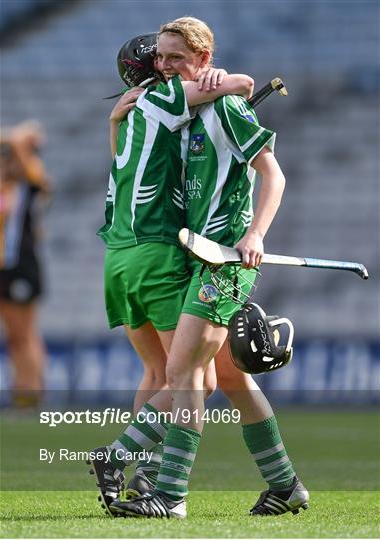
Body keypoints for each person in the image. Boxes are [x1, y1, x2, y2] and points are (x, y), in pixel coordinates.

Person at [107, 17, 309, 519]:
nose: (166, 66)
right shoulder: (189, 112)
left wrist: (256, 233)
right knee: (227, 377)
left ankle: (160, 489)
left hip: (227, 261)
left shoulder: (229, 107)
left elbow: (274, 175)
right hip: (197, 257)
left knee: (182, 371)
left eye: (177, 57)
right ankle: (285, 485)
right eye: (161, 58)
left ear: (203, 60)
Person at [92, 31, 255, 515]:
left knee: (157, 371)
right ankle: (136, 467)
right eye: (160, 60)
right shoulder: (164, 97)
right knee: (194, 380)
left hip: (117, 258)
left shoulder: (123, 116)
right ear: (151, 70)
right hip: (156, 254)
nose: (167, 66)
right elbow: (244, 84)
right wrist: (220, 78)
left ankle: (139, 471)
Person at [0, 121, 51, 409]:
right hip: (5, 268)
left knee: (24, 332)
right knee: (15, 336)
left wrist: (17, 136)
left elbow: (23, 137)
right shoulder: (6, 186)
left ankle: (31, 393)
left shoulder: (33, 179)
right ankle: (23, 389)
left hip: (22, 266)